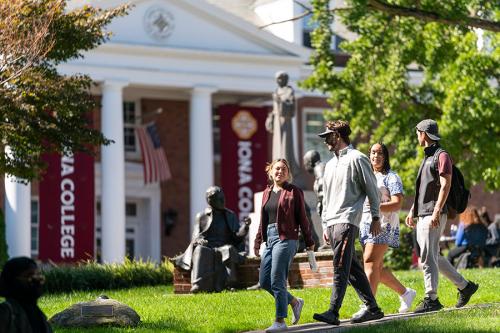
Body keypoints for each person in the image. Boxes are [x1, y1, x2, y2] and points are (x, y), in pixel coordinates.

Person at [313, 120, 384, 326]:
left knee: (340, 265)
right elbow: (326, 198)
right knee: (351, 267)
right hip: (333, 221)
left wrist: (376, 217)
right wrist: (325, 224)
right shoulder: (329, 165)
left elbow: (373, 190)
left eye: (329, 136)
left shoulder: (358, 158)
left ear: (339, 136)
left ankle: (333, 311)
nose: (325, 140)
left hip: (347, 219)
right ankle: (373, 308)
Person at [405, 119, 478, 313]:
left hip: (433, 213)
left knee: (427, 257)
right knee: (434, 255)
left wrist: (437, 210)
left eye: (418, 133)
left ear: (424, 134)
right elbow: (424, 189)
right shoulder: (427, 157)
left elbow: (445, 186)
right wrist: (413, 209)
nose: (417, 136)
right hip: (424, 212)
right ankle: (465, 286)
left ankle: (432, 298)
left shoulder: (441, 155)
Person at [353, 142, 416, 316]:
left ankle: (369, 305)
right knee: (377, 267)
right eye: (373, 152)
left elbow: (397, 203)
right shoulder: (367, 176)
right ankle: (406, 293)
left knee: (369, 262)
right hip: (365, 224)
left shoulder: (391, 177)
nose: (376, 156)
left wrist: (376, 207)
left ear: (386, 156)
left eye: (380, 153)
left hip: (383, 223)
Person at [254, 158, 315, 332]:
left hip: (287, 238)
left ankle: (280, 321)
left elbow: (303, 218)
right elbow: (263, 220)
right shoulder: (267, 192)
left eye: (283, 169)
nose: (280, 172)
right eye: (277, 169)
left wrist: (309, 241)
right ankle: (294, 302)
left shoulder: (294, 191)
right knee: (264, 281)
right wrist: (258, 241)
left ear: (288, 173)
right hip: (270, 239)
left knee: (277, 279)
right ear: (270, 171)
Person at [174, 186, 250, 293]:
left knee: (228, 250)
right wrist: (200, 241)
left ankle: (229, 284)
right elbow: (196, 235)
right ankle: (197, 284)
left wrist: (245, 227)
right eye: (220, 199)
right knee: (200, 250)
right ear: (210, 200)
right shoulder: (201, 216)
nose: (223, 201)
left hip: (224, 247)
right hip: (208, 247)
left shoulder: (230, 215)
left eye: (223, 198)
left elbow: (237, 236)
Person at [0, 256, 53, 333]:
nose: (37, 280)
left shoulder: (39, 314)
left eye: (38, 275)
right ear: (12, 281)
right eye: (29, 276)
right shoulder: (5, 313)